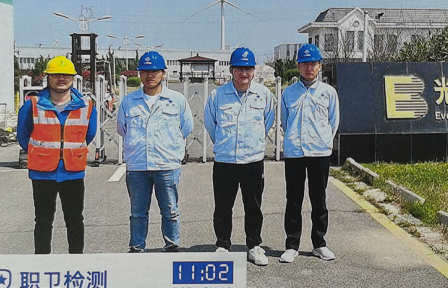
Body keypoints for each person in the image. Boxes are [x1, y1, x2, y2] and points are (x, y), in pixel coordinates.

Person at [17, 56, 97, 254]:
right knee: (43, 220)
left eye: (66, 75)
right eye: (56, 75)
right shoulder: (32, 105)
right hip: (42, 172)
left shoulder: (86, 106)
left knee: (75, 219)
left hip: (73, 172)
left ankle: (75, 260)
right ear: (48, 77)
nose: (61, 79)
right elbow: (23, 135)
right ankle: (43, 261)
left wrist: (70, 153)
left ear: (73, 78)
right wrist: (42, 153)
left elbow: (89, 134)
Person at [117, 51, 193, 252]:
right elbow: (122, 129)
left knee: (170, 210)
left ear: (163, 74)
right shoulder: (129, 101)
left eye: (155, 71)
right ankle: (137, 248)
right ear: (139, 74)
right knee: (138, 213)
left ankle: (171, 246)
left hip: (166, 164)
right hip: (138, 165)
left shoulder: (176, 100)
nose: (149, 75)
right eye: (145, 71)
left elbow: (187, 127)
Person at [204, 47, 275, 266]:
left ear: (254, 71)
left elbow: (267, 122)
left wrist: (253, 143)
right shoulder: (217, 95)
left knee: (253, 206)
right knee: (223, 206)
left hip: (252, 160)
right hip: (225, 160)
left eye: (248, 68)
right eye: (239, 68)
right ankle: (222, 245)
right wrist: (225, 144)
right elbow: (211, 124)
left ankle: (254, 246)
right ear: (231, 70)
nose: (244, 73)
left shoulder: (263, 95)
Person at [279, 43, 340, 263]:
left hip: (319, 152)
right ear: (298, 66)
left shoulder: (328, 93)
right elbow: (284, 122)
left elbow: (333, 122)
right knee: (293, 200)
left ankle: (319, 244)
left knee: (319, 199)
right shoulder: (288, 93)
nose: (309, 68)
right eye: (304, 63)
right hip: (295, 152)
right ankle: (292, 245)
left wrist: (323, 141)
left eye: (313, 63)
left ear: (320, 66)